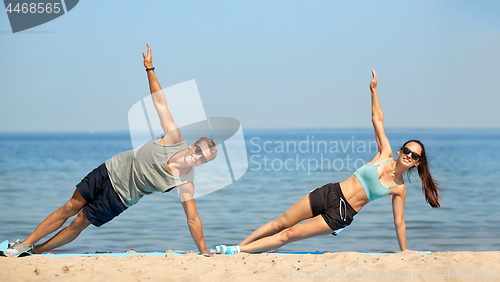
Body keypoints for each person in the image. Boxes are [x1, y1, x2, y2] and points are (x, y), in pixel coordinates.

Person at [1, 44, 218, 257]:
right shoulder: (173, 137)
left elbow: (192, 218)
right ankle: (24, 244)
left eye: (203, 159)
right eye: (199, 151)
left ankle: (34, 251)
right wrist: (149, 69)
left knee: (79, 222)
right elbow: (159, 102)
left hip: (120, 197)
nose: (197, 157)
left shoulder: (185, 181)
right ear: (193, 145)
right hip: (109, 169)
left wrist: (204, 251)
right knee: (70, 206)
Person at [217, 70, 441, 255]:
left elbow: (399, 222)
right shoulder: (384, 153)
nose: (409, 155)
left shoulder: (399, 189)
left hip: (341, 214)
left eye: (414, 156)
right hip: (330, 192)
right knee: (281, 222)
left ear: (416, 163)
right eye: (408, 150)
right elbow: (377, 120)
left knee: (288, 235)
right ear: (401, 149)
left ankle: (237, 252)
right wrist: (373, 91)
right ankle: (237, 247)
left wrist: (404, 252)